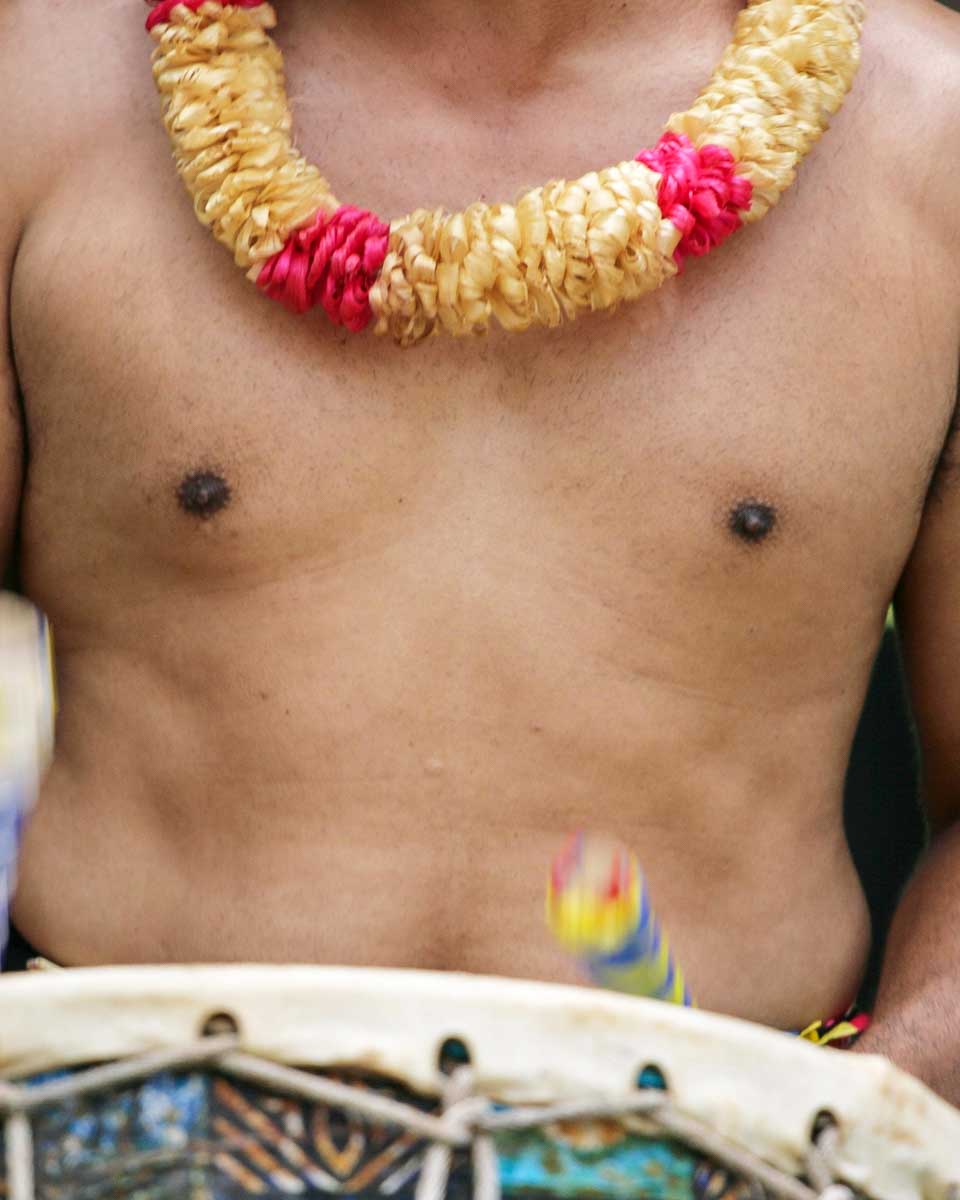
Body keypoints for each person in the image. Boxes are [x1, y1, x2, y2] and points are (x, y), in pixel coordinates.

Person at [1, 0, 958, 1099]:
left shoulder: (932, 135)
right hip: (104, 1139)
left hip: (717, 1156)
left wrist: (864, 1133)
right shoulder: (37, 88)